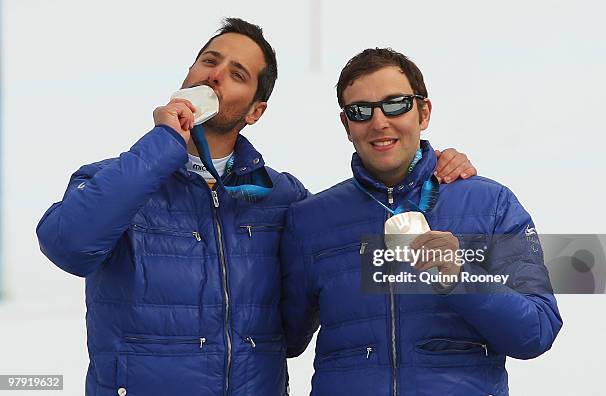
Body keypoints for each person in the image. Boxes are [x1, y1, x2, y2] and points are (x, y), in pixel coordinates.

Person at [36, 18, 476, 396]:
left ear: (255, 111)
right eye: (209, 61)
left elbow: (299, 325)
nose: (216, 75)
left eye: (238, 73)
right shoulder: (115, 180)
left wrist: (431, 173)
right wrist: (163, 146)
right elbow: (67, 246)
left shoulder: (284, 199)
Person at [281, 48, 562, 395]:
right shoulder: (311, 219)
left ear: (424, 112)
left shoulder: (491, 204)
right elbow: (285, 339)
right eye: (360, 111)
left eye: (396, 104)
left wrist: (460, 277)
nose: (379, 121)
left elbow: (536, 331)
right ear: (346, 125)